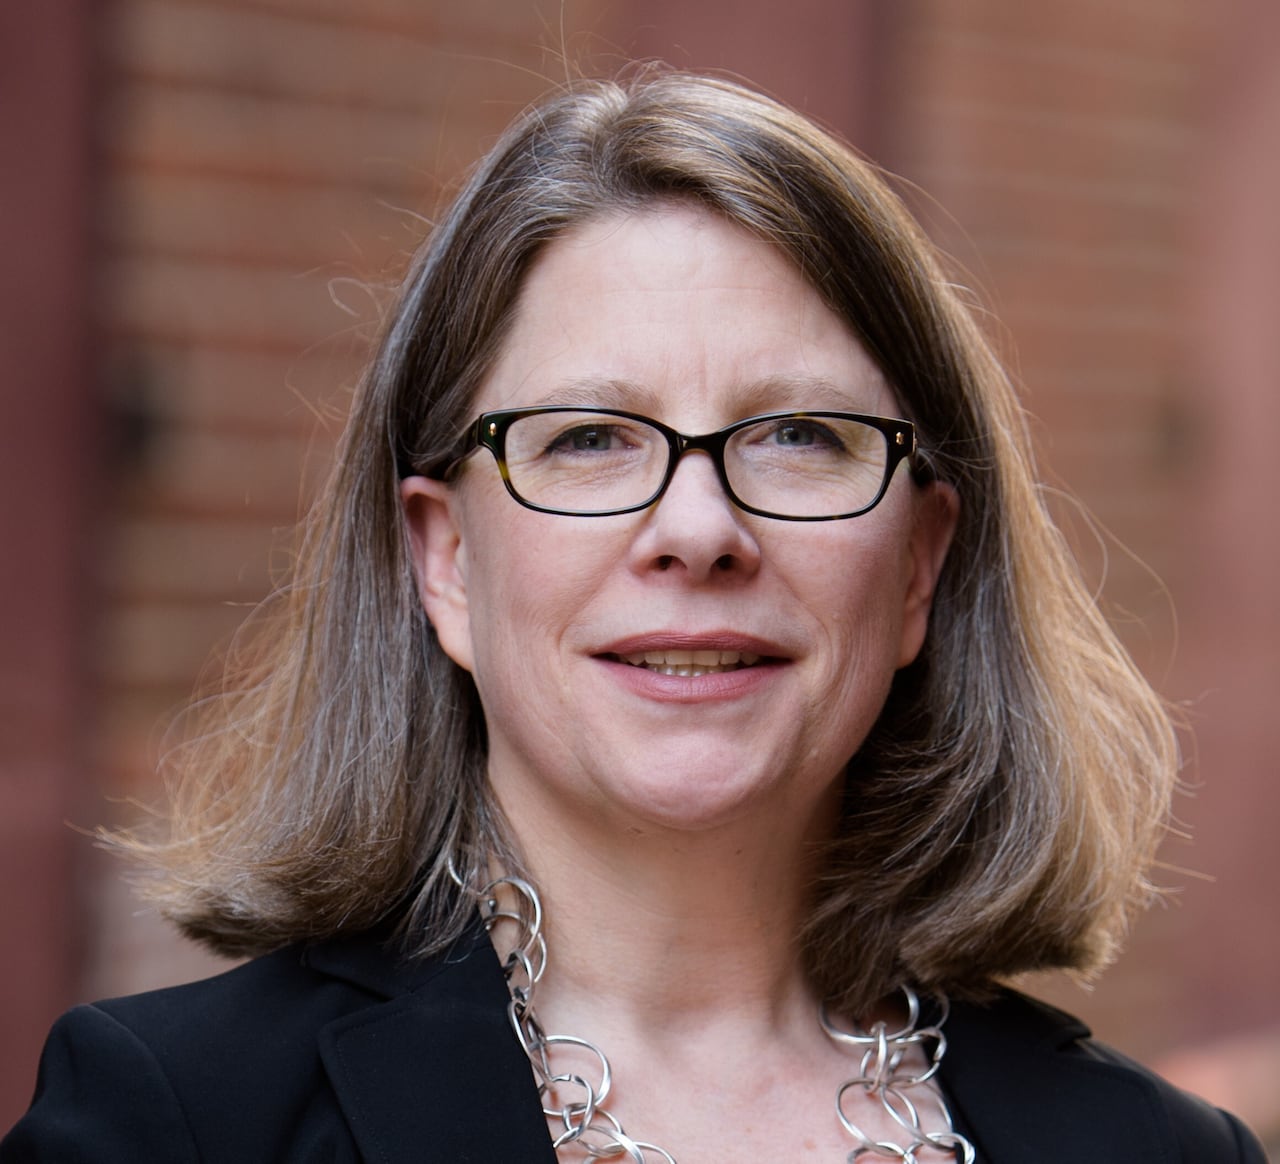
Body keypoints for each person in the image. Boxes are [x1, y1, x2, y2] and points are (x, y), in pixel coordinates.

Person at [1, 69, 1266, 1163]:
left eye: (796, 437)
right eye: (591, 438)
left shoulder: (1152, 1151)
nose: (699, 530)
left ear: (919, 567)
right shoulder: (179, 1125)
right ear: (443, 563)